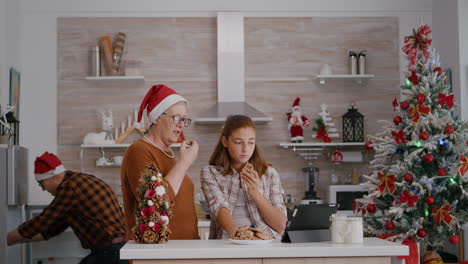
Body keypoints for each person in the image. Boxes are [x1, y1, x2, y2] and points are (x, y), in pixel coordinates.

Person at [6, 152, 128, 264]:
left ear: (53, 177)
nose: (43, 189)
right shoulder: (81, 181)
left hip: (110, 253)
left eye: (41, 183)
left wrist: (7, 238)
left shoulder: (70, 187)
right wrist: (17, 240)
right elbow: (54, 228)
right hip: (116, 250)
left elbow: (44, 219)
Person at [121, 84, 199, 240]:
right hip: (158, 253)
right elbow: (155, 205)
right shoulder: (138, 151)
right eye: (176, 117)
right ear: (156, 117)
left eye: (184, 119)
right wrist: (184, 163)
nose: (181, 124)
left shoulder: (168, 153)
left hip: (183, 250)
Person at [200, 115, 287, 239]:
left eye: (251, 142)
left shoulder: (269, 174)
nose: (245, 149)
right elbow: (219, 208)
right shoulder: (210, 173)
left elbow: (281, 225)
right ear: (225, 142)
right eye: (238, 142)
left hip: (266, 243)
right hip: (229, 242)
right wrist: (240, 236)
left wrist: (255, 193)